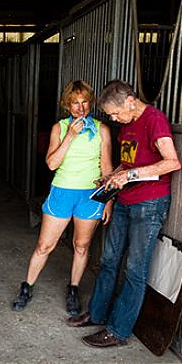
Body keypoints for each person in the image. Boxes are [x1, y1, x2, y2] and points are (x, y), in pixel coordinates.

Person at [67, 80, 181, 348]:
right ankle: (97, 314)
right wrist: (113, 176)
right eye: (111, 116)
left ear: (131, 100)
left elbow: (172, 162)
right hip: (125, 199)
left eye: (116, 113)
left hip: (149, 204)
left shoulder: (155, 120)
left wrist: (130, 175)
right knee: (108, 260)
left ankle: (118, 331)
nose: (114, 119)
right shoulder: (128, 124)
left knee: (134, 269)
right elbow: (130, 162)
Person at [12, 80, 113, 316]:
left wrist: (109, 200)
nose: (80, 108)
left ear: (91, 103)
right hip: (62, 191)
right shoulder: (59, 128)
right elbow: (51, 163)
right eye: (75, 103)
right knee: (44, 245)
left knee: (81, 245)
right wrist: (70, 135)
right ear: (67, 105)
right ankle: (27, 287)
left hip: (91, 195)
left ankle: (74, 288)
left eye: (84, 102)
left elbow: (107, 168)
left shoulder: (102, 130)